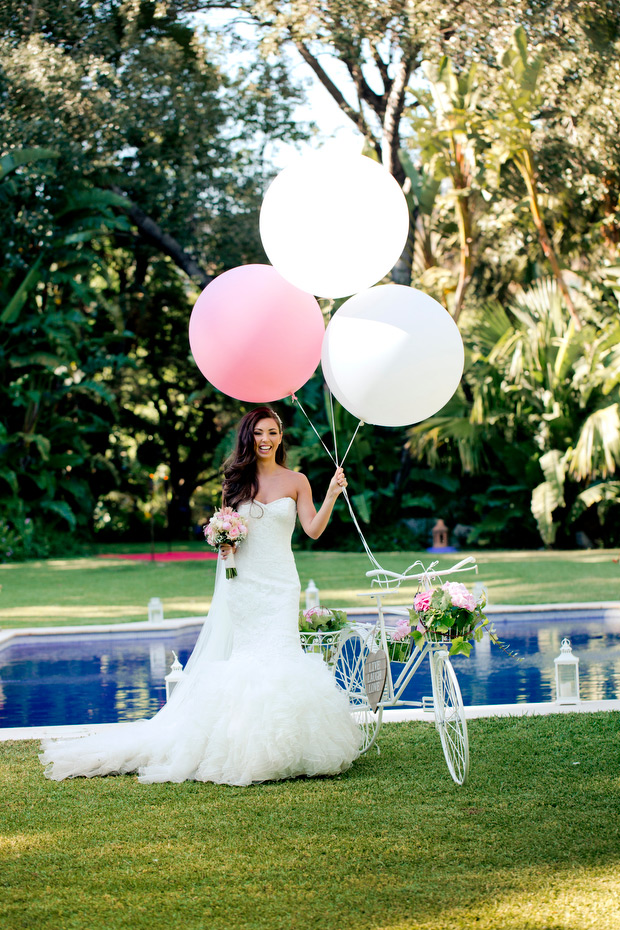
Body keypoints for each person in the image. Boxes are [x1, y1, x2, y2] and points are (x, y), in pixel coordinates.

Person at [40, 406, 361, 786]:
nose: (265, 439)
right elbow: (228, 534)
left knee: (282, 656)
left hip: (281, 584)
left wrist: (331, 495)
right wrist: (224, 546)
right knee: (249, 660)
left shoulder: (298, 481)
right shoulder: (236, 482)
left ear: (280, 437)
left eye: (272, 432)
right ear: (248, 437)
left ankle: (291, 747)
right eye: (258, 432)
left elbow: (312, 530)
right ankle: (243, 749)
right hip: (245, 584)